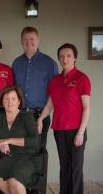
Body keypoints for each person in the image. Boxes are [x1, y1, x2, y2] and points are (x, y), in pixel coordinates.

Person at [37, 43, 91, 194]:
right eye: (61, 56)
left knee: (76, 167)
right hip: (59, 129)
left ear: (75, 58)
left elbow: (86, 108)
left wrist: (81, 132)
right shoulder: (55, 81)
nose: (65, 59)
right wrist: (41, 119)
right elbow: (49, 105)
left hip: (76, 130)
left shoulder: (82, 79)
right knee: (65, 166)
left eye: (68, 56)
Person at [0, 85, 41, 194]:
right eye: (6, 98)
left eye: (13, 98)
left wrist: (8, 140)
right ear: (2, 101)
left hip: (27, 158)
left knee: (14, 180)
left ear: (19, 101)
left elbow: (34, 141)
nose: (9, 101)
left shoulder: (27, 116)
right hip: (7, 158)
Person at [12, 26, 59, 149]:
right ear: (21, 41)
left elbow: (54, 93)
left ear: (38, 40)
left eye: (32, 39)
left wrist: (42, 117)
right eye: (25, 39)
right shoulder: (16, 63)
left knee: (38, 152)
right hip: (20, 115)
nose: (28, 42)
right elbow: (13, 90)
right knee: (21, 152)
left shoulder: (49, 63)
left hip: (40, 115)